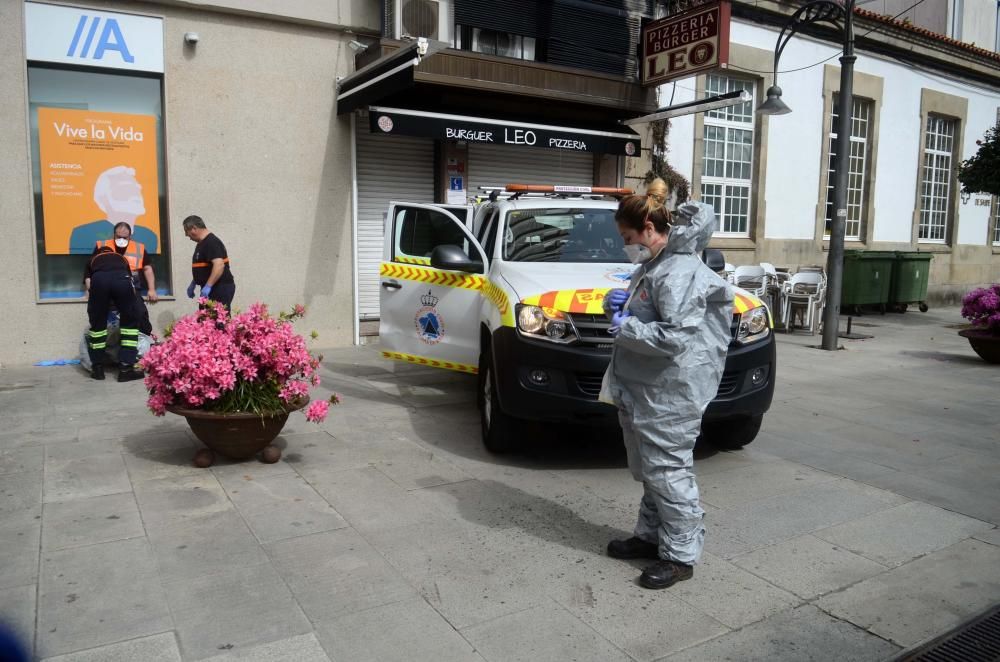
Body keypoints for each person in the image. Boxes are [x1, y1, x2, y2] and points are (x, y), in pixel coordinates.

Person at [602, 178, 733, 590]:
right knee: (652, 471)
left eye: (628, 237)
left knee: (669, 471)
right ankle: (651, 535)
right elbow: (651, 313)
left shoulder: (678, 271)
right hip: (647, 387)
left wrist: (626, 329)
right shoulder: (653, 265)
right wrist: (623, 304)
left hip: (670, 390)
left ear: (650, 230)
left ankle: (679, 556)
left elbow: (675, 338)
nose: (626, 244)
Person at [83, 246, 145, 382]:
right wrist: (129, 307)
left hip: (99, 281)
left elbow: (89, 284)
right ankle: (125, 369)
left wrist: (98, 305)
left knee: (97, 327)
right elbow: (131, 285)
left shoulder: (92, 260)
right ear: (112, 252)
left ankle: (97, 369)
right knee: (129, 325)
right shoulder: (121, 259)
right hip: (121, 279)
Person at [85, 221, 157, 335]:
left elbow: (147, 269)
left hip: (130, 288)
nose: (121, 240)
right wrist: (90, 290)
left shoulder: (139, 247)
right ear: (114, 235)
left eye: (125, 237)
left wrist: (152, 289)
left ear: (130, 236)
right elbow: (90, 270)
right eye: (118, 237)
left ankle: (144, 337)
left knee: (139, 312)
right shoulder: (102, 246)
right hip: (105, 288)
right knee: (100, 315)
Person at [69, 165, 159, 254]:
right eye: (126, 188)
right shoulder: (83, 233)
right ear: (104, 198)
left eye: (136, 188)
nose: (135, 194)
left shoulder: (149, 236)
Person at [182, 215, 235, 309]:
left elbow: (219, 265)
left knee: (217, 320)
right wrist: (194, 282)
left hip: (219, 287)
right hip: (211, 287)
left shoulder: (211, 242)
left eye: (186, 231)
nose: (186, 235)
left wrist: (208, 286)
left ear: (194, 228)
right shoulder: (201, 243)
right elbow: (204, 267)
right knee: (204, 319)